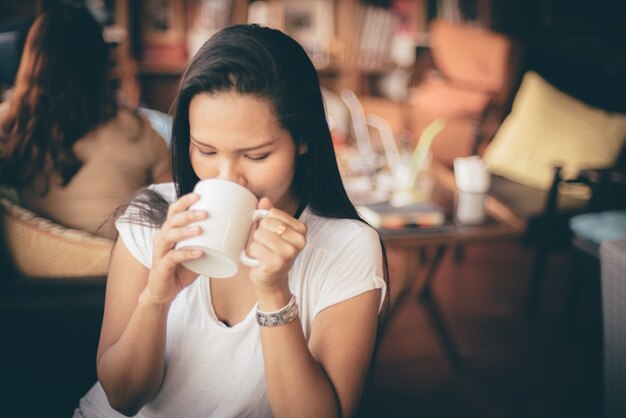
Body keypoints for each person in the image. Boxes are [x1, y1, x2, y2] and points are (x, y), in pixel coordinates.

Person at [74, 24, 388, 418]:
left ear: (305, 138)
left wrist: (275, 294)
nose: (225, 177)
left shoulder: (346, 248)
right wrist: (156, 296)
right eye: (205, 150)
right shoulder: (153, 217)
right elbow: (121, 397)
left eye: (255, 156)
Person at [0, 5, 171, 239]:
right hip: (115, 265)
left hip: (32, 263)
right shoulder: (138, 130)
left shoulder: (12, 120)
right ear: (101, 62)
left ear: (31, 61)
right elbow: (172, 206)